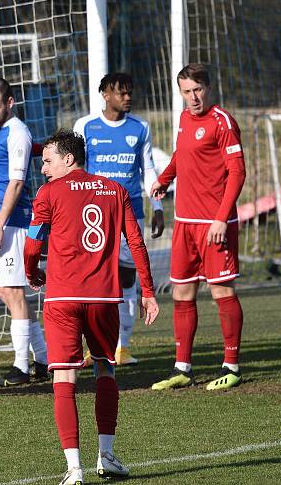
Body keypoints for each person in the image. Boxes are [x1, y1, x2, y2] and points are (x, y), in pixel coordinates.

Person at [24, 131, 159, 484]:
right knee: (105, 371)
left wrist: (31, 271)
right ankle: (108, 455)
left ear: (69, 159)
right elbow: (136, 241)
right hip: (104, 299)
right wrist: (148, 290)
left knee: (64, 377)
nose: (44, 168)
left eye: (49, 160)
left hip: (62, 299)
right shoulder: (115, 191)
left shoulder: (48, 193)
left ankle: (74, 469)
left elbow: (32, 243)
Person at [150, 63, 246, 391]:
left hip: (214, 224)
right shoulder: (184, 119)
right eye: (186, 92)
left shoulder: (223, 122)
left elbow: (237, 173)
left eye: (197, 90)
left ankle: (231, 367)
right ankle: (183, 368)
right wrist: (165, 179)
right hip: (184, 223)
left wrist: (221, 217)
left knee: (221, 290)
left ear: (208, 87)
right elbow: (181, 154)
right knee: (182, 292)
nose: (192, 98)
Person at [73, 72, 165, 366]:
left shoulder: (140, 128)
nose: (127, 97)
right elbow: (75, 169)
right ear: (105, 94)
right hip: (94, 216)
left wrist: (158, 207)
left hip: (130, 213)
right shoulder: (85, 126)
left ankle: (122, 347)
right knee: (93, 281)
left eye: (129, 92)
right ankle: (95, 346)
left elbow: (148, 170)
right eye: (121, 93)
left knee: (127, 279)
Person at [0, 77, 48, 387]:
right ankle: (44, 359)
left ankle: (21, 367)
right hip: (0, 224)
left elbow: (17, 183)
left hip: (12, 225)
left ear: (10, 103)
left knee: (14, 293)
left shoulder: (17, 133)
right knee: (8, 293)